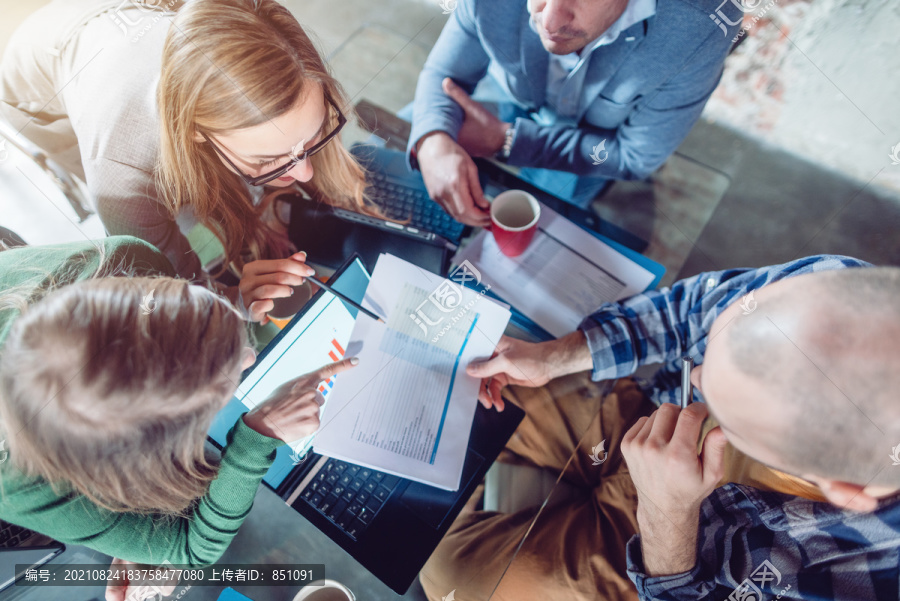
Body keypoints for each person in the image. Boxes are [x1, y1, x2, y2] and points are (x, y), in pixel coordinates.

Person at [418, 254, 900, 601]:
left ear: (849, 490)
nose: (694, 377)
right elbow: (687, 309)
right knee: (464, 379)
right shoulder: (830, 285)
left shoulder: (861, 578)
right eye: (710, 354)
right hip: (638, 418)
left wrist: (667, 511)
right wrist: (555, 357)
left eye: (728, 419)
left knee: (446, 572)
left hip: (673, 542)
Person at [0, 236, 357, 600]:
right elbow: (190, 549)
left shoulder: (129, 256)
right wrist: (259, 434)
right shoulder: (20, 490)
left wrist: (234, 302)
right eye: (221, 384)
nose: (249, 358)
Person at [0, 0, 375, 323]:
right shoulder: (120, 171)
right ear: (195, 132)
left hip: (120, 30)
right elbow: (166, 283)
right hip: (40, 79)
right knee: (170, 211)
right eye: (270, 159)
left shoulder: (269, 46)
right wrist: (234, 301)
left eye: (309, 141)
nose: (303, 172)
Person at [408, 0, 743, 225]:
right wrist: (432, 139)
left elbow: (633, 157)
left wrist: (506, 140)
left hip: (591, 144)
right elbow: (443, 73)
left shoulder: (704, 27)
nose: (549, 20)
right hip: (503, 97)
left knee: (541, 244)